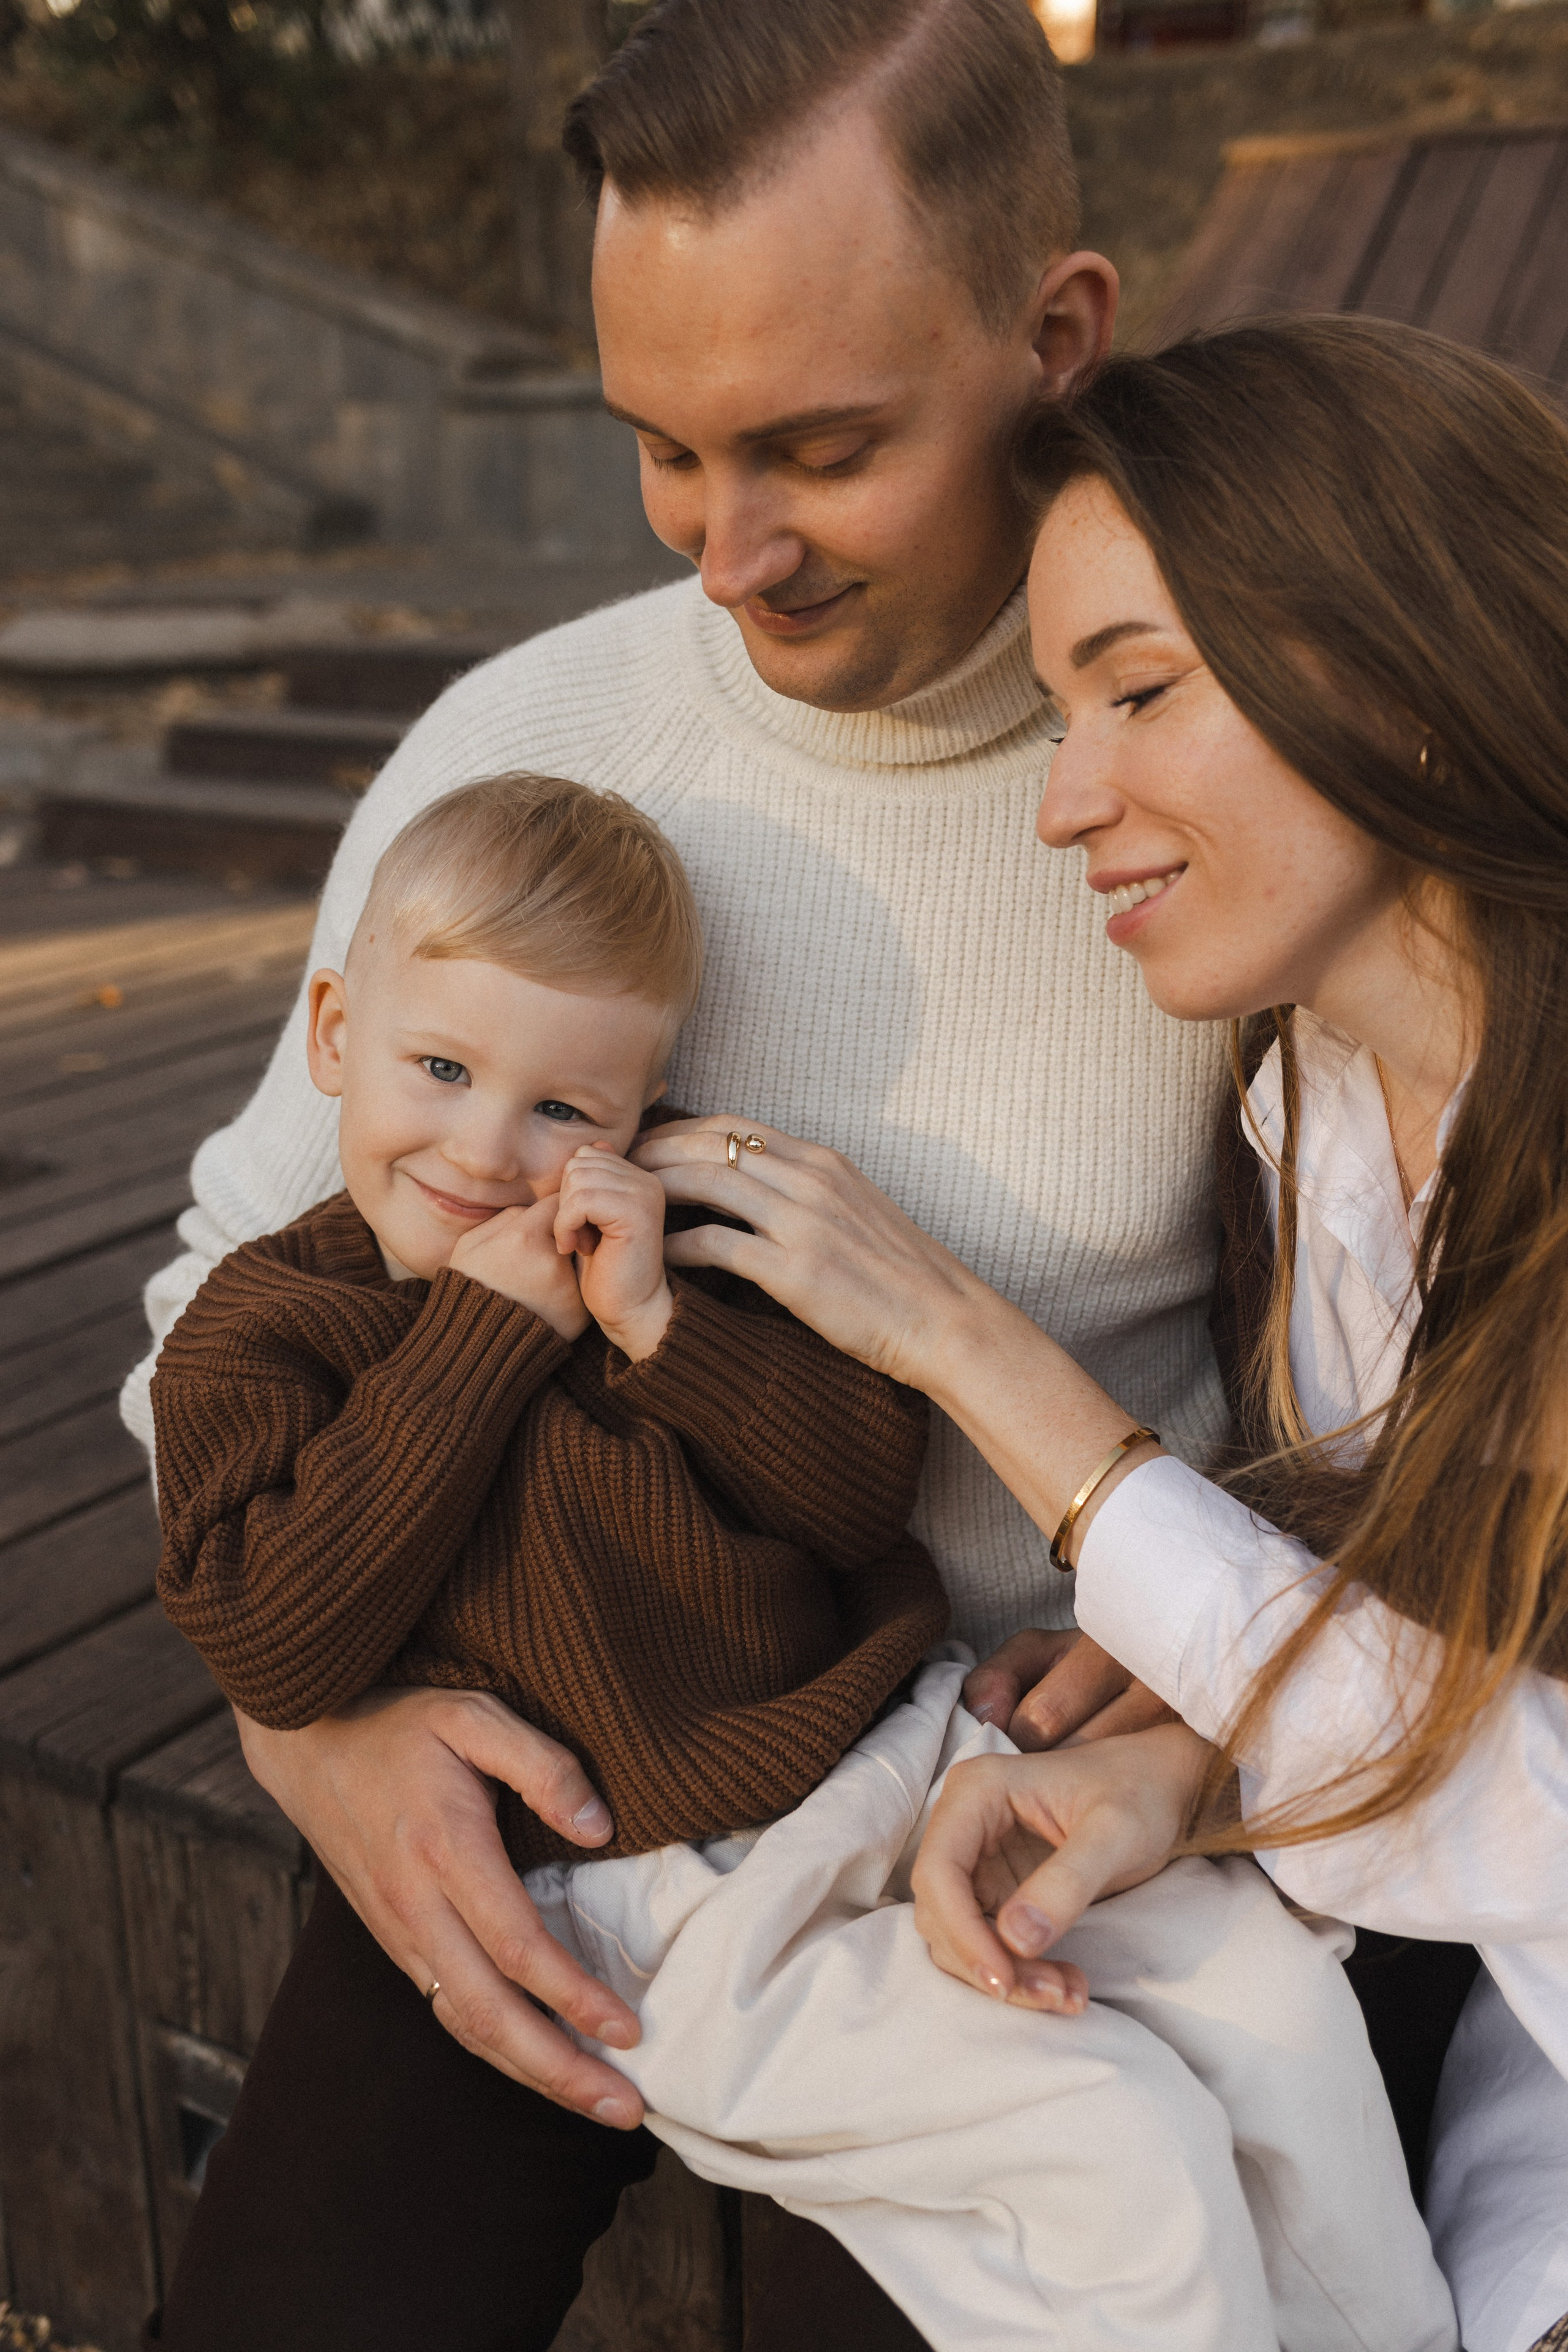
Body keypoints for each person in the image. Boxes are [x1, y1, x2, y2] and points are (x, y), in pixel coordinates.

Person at [121, 2, 1210, 2340]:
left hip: (1016, 1823)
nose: (732, 554)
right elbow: (220, 1279)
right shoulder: (519, 742)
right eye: (664, 449)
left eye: (823, 448)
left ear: (1057, 337)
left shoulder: (1200, 777)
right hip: (544, 1763)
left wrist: (1219, 1688)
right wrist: (315, 1732)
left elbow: (1432, 1356)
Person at [147, 774, 1456, 2351]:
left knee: (1273, 2011)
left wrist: (659, 1331)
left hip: (891, 1744)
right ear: (333, 1034)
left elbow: (848, 1502)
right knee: (1111, 2148)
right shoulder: (269, 1332)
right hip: (644, 1873)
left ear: (642, 1112)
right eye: (441, 1069)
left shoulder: (654, 1274)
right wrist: (480, 1340)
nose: (489, 1150)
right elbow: (273, 1639)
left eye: (563, 1111)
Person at [632, 316, 1568, 2352]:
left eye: (1140, 691)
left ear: (1408, 673)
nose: (1065, 803)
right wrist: (1182, 1765)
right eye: (1064, 711)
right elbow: (1464, 1624)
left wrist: (982, 1360)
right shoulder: (1321, 1102)